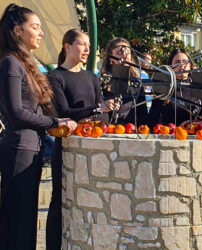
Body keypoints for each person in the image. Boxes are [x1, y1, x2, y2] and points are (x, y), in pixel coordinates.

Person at [0, 4, 77, 249]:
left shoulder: (26, 64)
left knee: (27, 222)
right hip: (19, 150)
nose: (41, 33)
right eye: (35, 27)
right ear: (17, 31)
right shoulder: (11, 64)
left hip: (31, 149)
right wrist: (54, 122)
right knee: (17, 223)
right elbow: (17, 114)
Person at [46, 29, 118, 250]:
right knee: (60, 200)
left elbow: (104, 115)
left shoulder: (91, 77)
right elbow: (63, 112)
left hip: (94, 148)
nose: (88, 50)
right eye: (82, 44)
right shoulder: (55, 77)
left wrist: (101, 110)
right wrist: (97, 109)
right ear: (67, 46)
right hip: (67, 149)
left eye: (90, 45)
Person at [149, 48, 202, 128]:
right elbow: (153, 119)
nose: (181, 65)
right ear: (170, 67)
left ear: (190, 65)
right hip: (170, 136)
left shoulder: (198, 84)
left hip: (194, 135)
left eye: (185, 62)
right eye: (177, 62)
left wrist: (188, 124)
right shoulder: (163, 87)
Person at [101, 37, 148, 126]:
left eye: (128, 52)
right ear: (111, 58)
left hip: (131, 132)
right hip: (108, 131)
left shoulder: (136, 83)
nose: (125, 55)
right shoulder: (103, 81)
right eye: (120, 53)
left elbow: (143, 115)